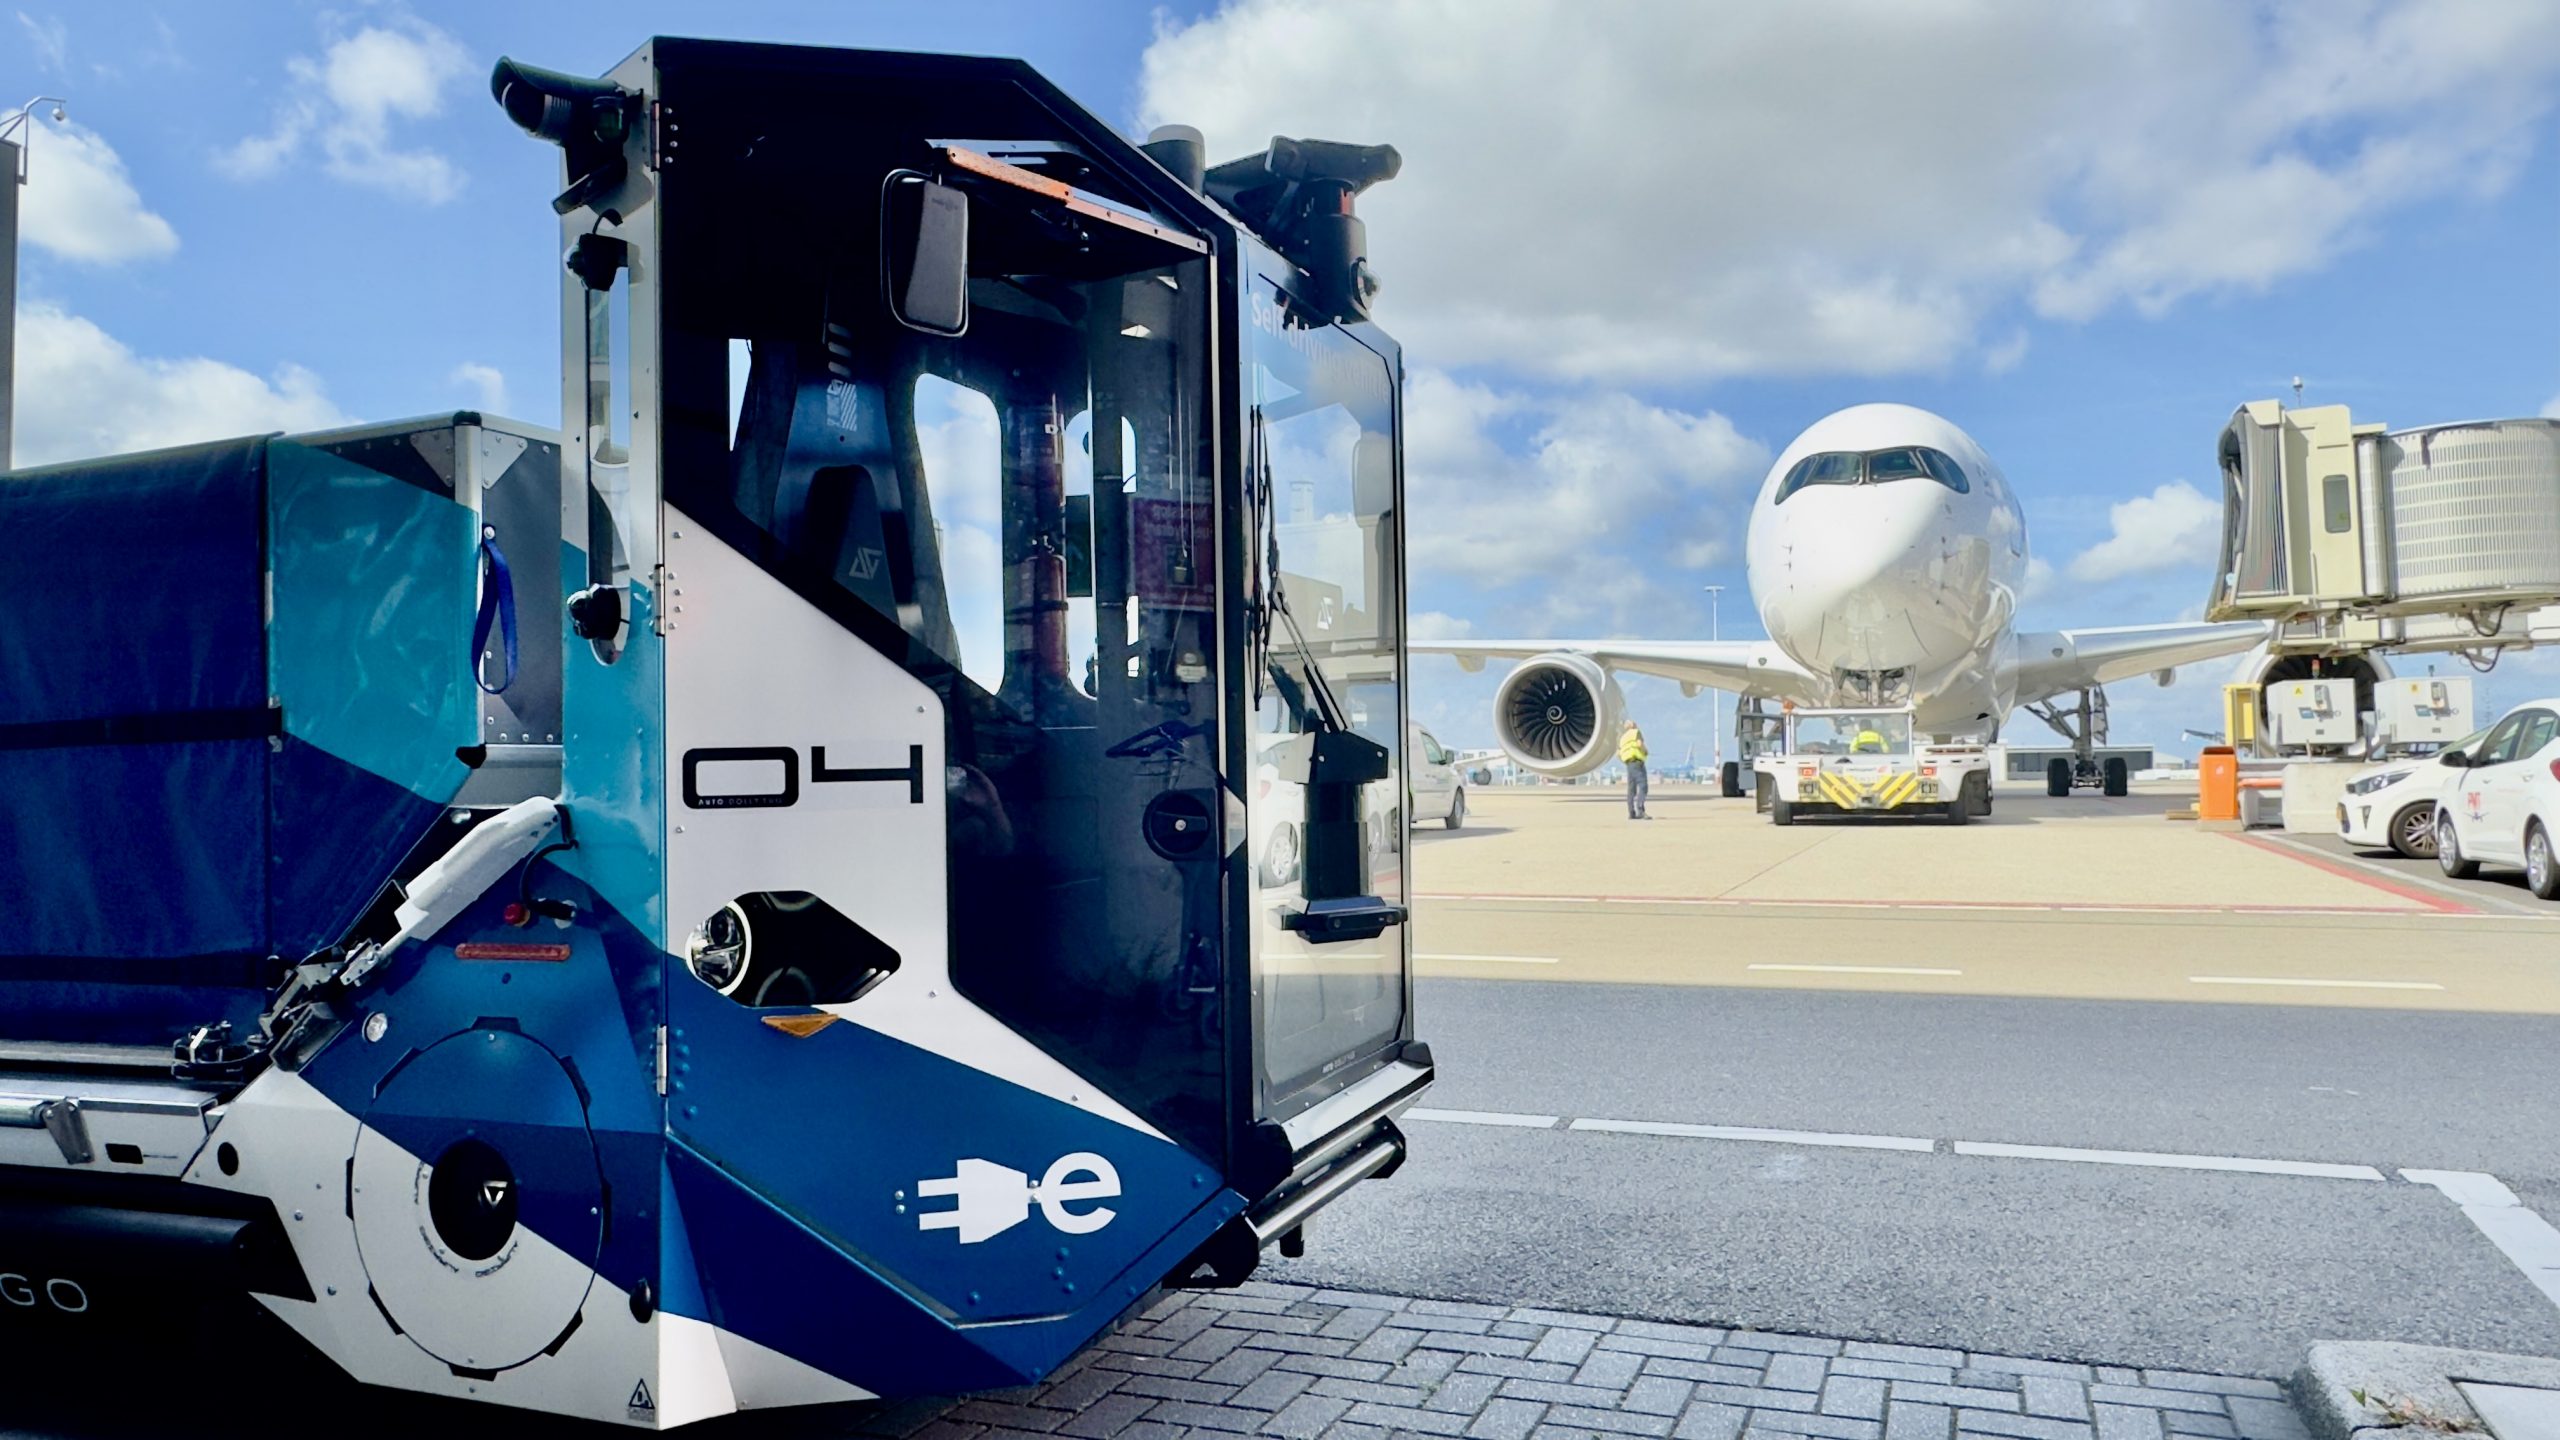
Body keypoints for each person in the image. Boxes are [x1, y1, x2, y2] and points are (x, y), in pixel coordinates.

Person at [1619, 719, 1650, 820]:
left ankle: (1631, 813)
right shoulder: (1636, 732)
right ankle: (1640, 810)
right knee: (1643, 786)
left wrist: (1626, 759)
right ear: (1633, 725)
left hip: (1629, 764)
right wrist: (1645, 751)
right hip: (1637, 763)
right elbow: (1639, 744)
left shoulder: (1623, 738)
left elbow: (1618, 754)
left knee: (1631, 790)